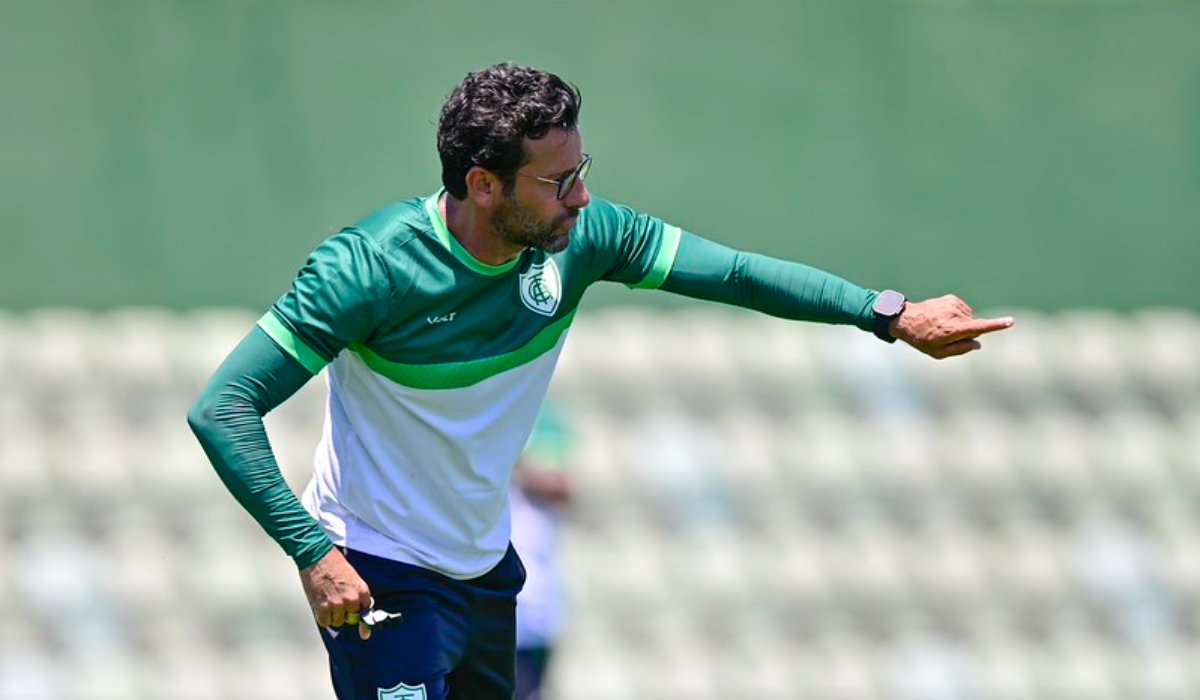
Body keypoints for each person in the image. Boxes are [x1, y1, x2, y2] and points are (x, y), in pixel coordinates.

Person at [188, 62, 1014, 700]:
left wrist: (887, 313)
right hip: (380, 575)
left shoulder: (582, 237)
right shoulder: (368, 269)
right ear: (483, 184)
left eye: (583, 170)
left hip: (486, 577)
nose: (583, 197)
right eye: (558, 182)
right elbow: (222, 408)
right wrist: (312, 552)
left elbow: (733, 273)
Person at [509, 403, 573, 700]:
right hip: (476, 588)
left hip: (531, 600)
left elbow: (561, 485)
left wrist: (507, 453)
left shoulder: (542, 414)